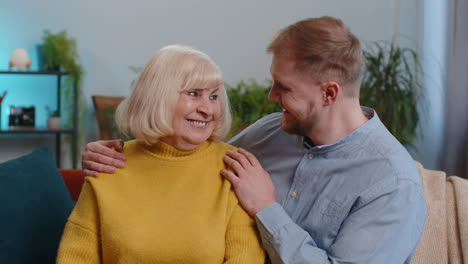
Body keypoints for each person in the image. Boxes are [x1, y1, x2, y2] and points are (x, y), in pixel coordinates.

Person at [81, 17, 427, 264]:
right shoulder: (270, 131)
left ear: (329, 93)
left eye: (284, 87)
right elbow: (189, 160)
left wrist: (267, 209)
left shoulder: (392, 184)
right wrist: (118, 156)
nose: (271, 95)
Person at [57, 45, 265, 263]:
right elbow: (77, 254)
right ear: (158, 96)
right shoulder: (109, 162)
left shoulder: (234, 166)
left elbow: (246, 255)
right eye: (194, 94)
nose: (208, 109)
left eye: (213, 97)